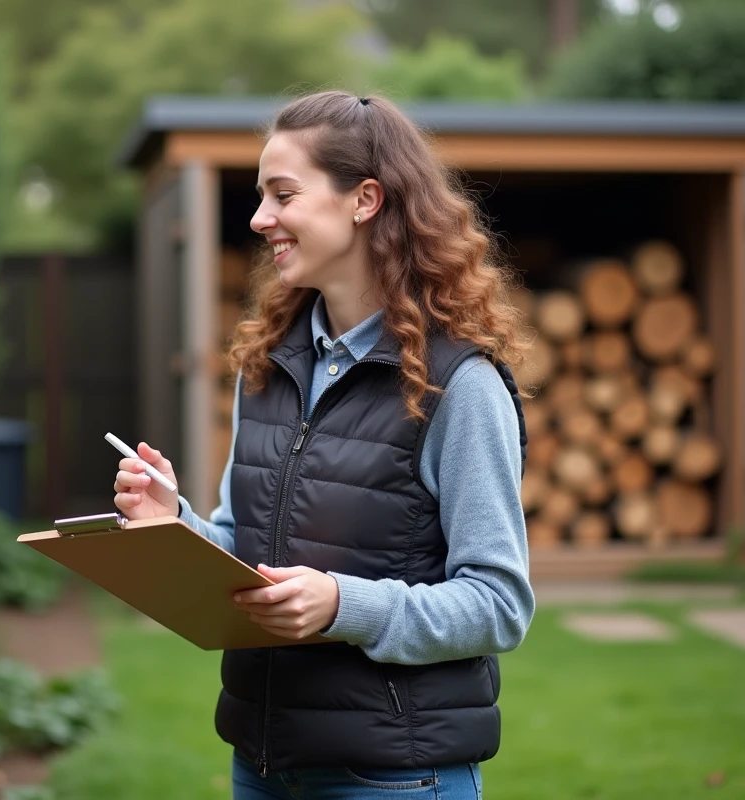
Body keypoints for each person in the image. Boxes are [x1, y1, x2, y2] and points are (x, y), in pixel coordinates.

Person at [113, 90, 534, 800]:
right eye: (260, 196)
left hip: (395, 778)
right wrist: (172, 522)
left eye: (283, 194)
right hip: (263, 765)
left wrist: (345, 605)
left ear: (364, 200)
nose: (258, 218)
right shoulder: (269, 366)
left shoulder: (458, 386)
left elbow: (499, 604)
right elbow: (246, 549)